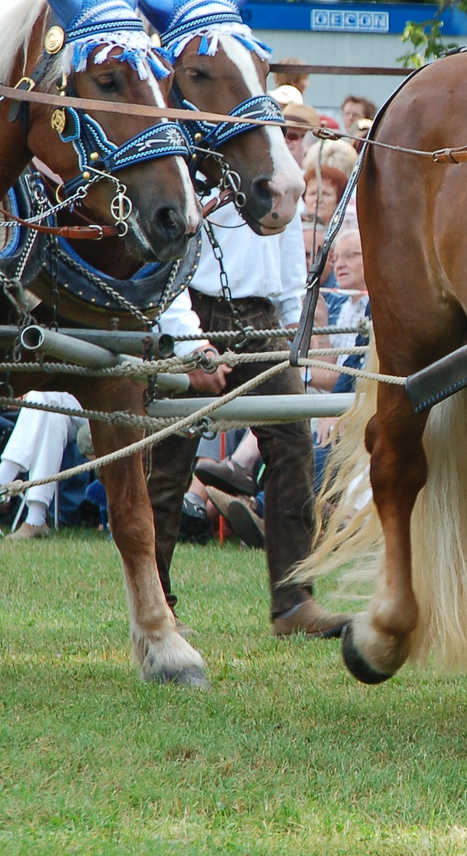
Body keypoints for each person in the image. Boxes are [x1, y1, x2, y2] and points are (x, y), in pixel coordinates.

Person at [145, 199, 349, 638]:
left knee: (293, 446)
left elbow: (286, 233)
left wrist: (293, 319)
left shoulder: (278, 166)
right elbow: (163, 246)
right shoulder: (183, 160)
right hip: (191, 310)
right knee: (166, 464)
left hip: (261, 317)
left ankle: (294, 602)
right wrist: (187, 341)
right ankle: (154, 604)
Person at [0, 391, 88, 539]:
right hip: (69, 411)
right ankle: (36, 519)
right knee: (54, 418)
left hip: (98, 413)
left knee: (39, 394)